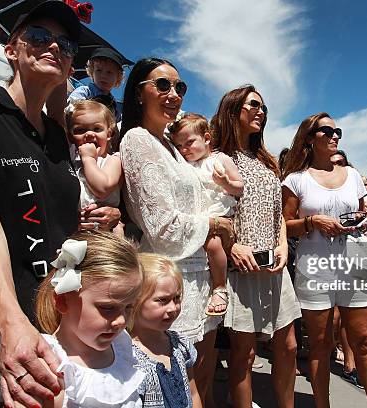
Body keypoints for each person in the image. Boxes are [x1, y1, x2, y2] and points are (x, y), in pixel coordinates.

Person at [0, 3, 103, 406]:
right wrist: (10, 323)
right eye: (40, 37)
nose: (54, 48)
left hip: (56, 313)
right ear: (12, 50)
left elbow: (53, 218)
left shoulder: (58, 138)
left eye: (65, 45)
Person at [119, 57, 235, 407]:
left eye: (180, 87)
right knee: (173, 383)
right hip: (169, 279)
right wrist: (214, 225)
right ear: (139, 93)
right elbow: (163, 227)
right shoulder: (138, 140)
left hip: (199, 277)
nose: (174, 94)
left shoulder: (172, 147)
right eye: (163, 84)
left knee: (201, 373)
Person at [281, 112, 367, 408]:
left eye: (337, 130)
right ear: (310, 138)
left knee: (364, 341)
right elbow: (285, 224)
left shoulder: (352, 175)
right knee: (320, 346)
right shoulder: (295, 180)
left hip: (355, 263)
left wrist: (365, 216)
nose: (334, 135)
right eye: (326, 131)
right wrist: (313, 222)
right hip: (315, 269)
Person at [211, 85, 301, 408]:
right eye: (253, 105)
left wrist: (284, 246)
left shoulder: (268, 160)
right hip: (242, 270)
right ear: (233, 109)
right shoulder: (217, 159)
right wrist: (232, 245)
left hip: (275, 267)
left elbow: (277, 214)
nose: (261, 112)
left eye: (264, 107)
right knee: (244, 353)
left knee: (289, 346)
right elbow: (213, 212)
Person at [34, 231, 145, 407]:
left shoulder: (122, 348)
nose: (122, 321)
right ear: (63, 300)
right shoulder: (47, 369)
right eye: (108, 308)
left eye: (129, 307)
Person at [169, 113, 244, 316]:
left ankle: (220, 287)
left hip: (220, 216)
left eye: (190, 142)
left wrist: (225, 183)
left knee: (212, 244)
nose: (185, 150)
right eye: (180, 146)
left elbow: (240, 187)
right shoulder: (185, 165)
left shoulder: (220, 159)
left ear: (207, 138)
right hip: (199, 217)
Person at [131, 253, 202, 408]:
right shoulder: (128, 357)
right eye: (162, 300)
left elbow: (193, 393)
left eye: (176, 298)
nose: (172, 308)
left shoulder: (181, 345)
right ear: (134, 301)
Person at [65, 100, 123, 222]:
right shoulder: (70, 163)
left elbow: (102, 189)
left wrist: (89, 159)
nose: (90, 134)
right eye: (80, 130)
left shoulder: (112, 160)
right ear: (70, 137)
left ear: (109, 133)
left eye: (97, 129)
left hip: (102, 232)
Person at [68, 47, 124, 121]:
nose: (103, 75)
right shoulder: (85, 92)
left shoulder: (113, 103)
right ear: (92, 72)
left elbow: (117, 121)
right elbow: (71, 106)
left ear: (118, 78)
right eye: (99, 70)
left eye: (109, 72)